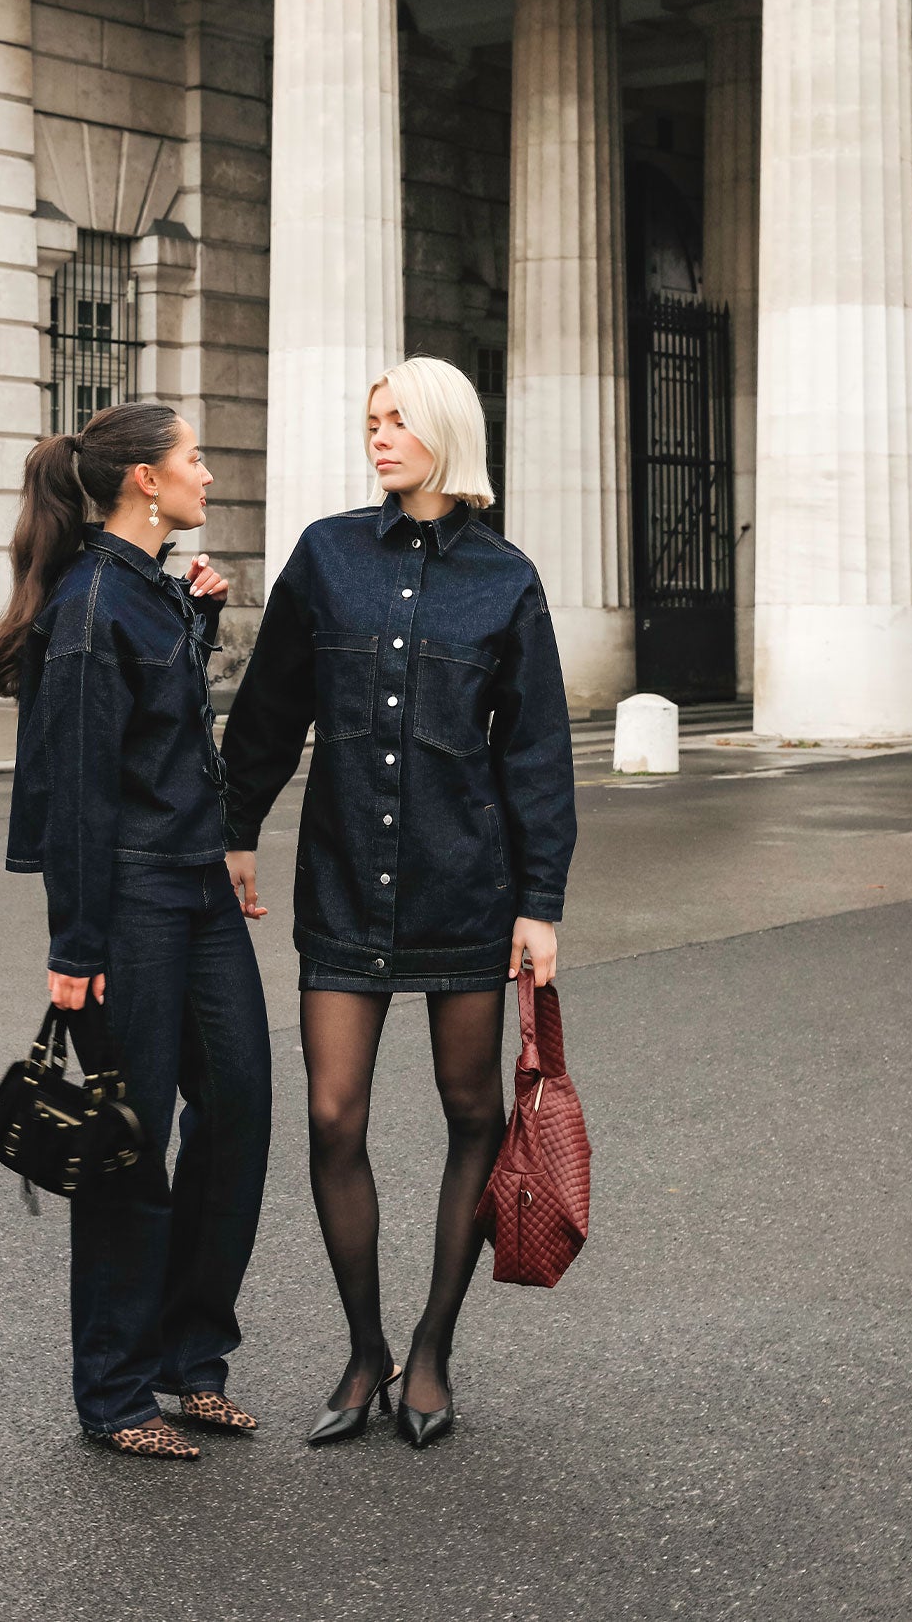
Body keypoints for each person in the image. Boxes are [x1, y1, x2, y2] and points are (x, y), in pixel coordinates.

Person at [221, 354, 576, 1449]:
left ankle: (431, 1346)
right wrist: (238, 824)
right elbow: (272, 702)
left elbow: (535, 754)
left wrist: (540, 900)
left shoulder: (506, 580)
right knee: (334, 1116)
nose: (377, 437)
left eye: (396, 421)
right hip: (341, 879)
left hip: (465, 887)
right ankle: (365, 1344)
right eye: (371, 419)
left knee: (477, 1112)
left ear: (443, 433)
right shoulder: (328, 555)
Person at [0, 401, 272, 1461]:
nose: (208, 471)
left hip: (198, 890)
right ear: (146, 481)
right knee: (130, 1146)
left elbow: (160, 738)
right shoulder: (93, 604)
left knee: (239, 1104)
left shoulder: (149, 592)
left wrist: (195, 622)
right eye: (194, 456)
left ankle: (191, 1357)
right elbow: (79, 793)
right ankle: (115, 1389)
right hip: (134, 903)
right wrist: (75, 948)